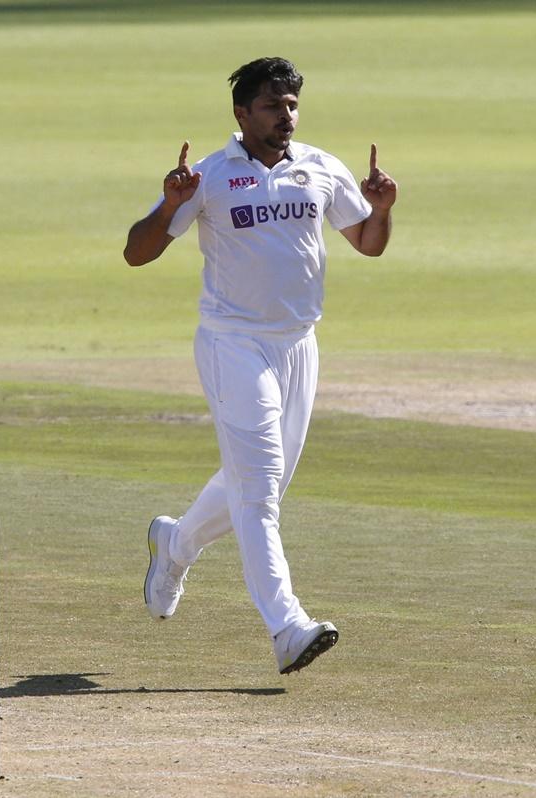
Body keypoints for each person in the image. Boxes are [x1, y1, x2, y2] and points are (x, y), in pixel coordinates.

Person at [124, 57, 397, 674]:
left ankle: (175, 544)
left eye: (293, 105)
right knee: (261, 492)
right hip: (233, 343)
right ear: (242, 114)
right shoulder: (210, 176)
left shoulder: (321, 167)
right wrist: (171, 205)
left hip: (300, 344)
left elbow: (368, 243)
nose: (287, 117)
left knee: (258, 482)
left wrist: (381, 209)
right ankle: (286, 625)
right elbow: (136, 253)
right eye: (274, 106)